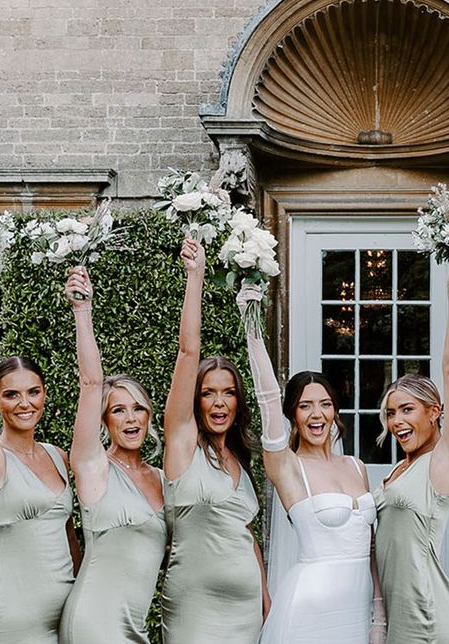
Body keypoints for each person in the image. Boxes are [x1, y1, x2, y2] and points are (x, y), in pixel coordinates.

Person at [237, 283, 383, 644]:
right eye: (305, 406)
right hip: (308, 611)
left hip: (357, 609)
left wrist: (378, 612)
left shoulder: (356, 466)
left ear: (335, 410)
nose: (317, 414)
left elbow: (373, 549)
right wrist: (252, 325)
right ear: (293, 415)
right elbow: (268, 399)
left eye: (325, 404)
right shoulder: (287, 467)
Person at [160, 238, 268, 644]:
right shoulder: (184, 443)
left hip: (246, 611)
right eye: (208, 393)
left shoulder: (240, 457)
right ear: (196, 400)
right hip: (195, 608)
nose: (219, 402)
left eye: (228, 392)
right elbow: (189, 352)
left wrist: (266, 600)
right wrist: (196, 276)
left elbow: (247, 536)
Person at [0, 259, 81, 644]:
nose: (24, 403)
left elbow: (70, 539)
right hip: (12, 625)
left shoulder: (57, 456)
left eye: (33, 392)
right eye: (11, 394)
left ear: (45, 395)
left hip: (68, 617)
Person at [372, 255, 449, 644]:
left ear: (435, 412)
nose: (397, 421)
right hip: (399, 614)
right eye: (390, 413)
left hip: (428, 614)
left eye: (407, 410)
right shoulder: (398, 470)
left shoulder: (444, 461)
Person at [59, 267, 167, 644]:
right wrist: (82, 311)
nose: (131, 417)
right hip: (95, 622)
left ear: (149, 415)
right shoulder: (94, 468)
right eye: (118, 410)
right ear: (104, 420)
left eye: (138, 408)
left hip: (134, 626)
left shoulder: (162, 478)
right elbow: (91, 384)